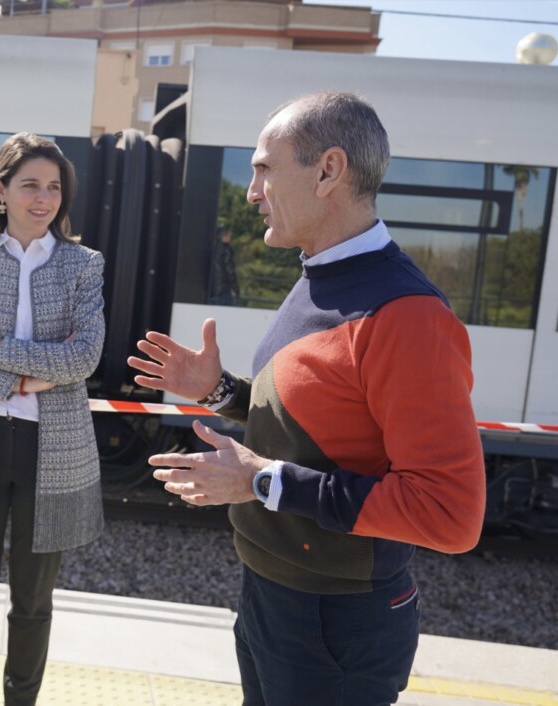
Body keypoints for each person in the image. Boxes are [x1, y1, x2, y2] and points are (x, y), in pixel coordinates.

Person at [127, 92, 485, 706]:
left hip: (334, 626)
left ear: (328, 172)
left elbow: (450, 515)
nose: (251, 190)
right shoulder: (321, 276)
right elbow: (323, 416)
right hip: (272, 597)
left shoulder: (407, 315)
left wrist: (263, 482)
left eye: (265, 167)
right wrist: (217, 391)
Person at [0, 132, 105, 706]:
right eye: (30, 184)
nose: (43, 197)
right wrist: (24, 380)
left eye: (54, 187)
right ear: (1, 190)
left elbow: (84, 359)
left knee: (33, 602)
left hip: (52, 452)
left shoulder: (84, 264)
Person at [208, 224, 239, 306]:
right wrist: (235, 289)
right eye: (227, 234)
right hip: (224, 291)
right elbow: (230, 271)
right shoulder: (226, 250)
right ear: (223, 236)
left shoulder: (212, 249)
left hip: (212, 291)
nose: (230, 236)